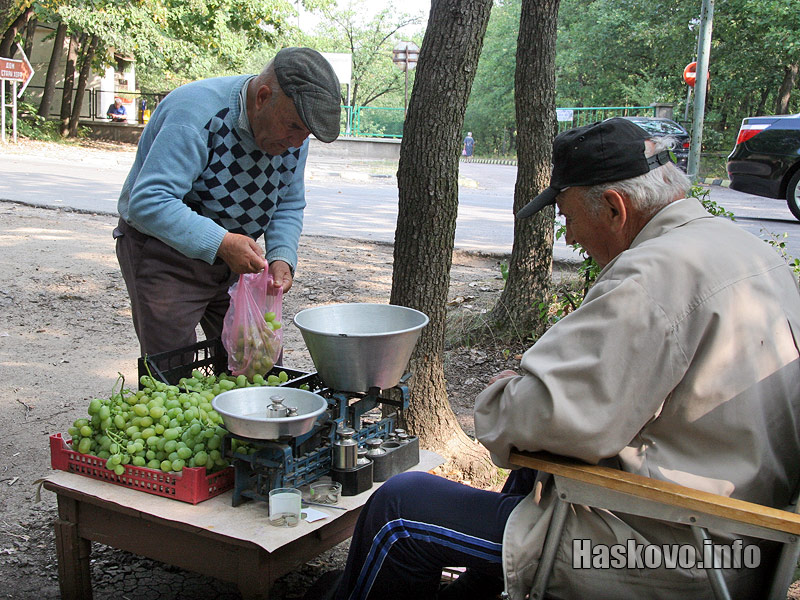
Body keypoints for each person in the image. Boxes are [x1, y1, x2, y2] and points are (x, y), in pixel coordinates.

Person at [304, 118, 800, 600]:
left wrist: (506, 393)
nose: (569, 237)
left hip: (678, 555)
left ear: (613, 207)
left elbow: (535, 417)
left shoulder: (652, 278)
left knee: (397, 508)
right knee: (529, 476)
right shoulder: (745, 248)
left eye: (568, 217)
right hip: (750, 541)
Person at [114, 47, 341, 356]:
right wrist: (222, 242)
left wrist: (281, 256)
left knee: (253, 358)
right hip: (165, 254)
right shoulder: (195, 114)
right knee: (172, 368)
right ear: (262, 97)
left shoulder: (291, 136)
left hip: (234, 257)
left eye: (307, 133)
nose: (298, 142)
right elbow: (149, 202)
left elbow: (286, 203)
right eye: (294, 127)